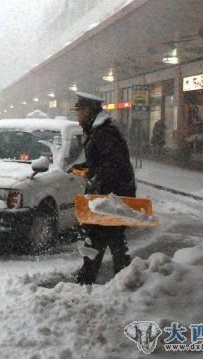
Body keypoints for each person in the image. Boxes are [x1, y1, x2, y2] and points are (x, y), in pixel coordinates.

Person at [71, 91, 136, 285]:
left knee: (98, 238)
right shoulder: (98, 130)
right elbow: (103, 161)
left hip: (110, 196)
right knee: (112, 239)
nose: (77, 114)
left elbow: (114, 165)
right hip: (110, 194)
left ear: (88, 110)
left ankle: (87, 281)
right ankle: (125, 281)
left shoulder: (103, 132)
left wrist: (95, 180)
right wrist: (86, 168)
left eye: (78, 110)